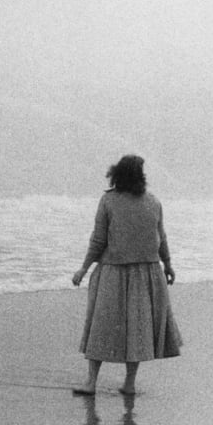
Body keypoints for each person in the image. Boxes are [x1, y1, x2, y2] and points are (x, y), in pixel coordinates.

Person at [72, 154, 182, 395]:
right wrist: (168, 265)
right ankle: (129, 383)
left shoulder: (108, 201)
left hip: (114, 271)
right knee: (137, 330)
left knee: (100, 328)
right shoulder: (153, 201)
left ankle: (91, 382)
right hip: (148, 273)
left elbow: (98, 240)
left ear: (116, 175)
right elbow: (161, 238)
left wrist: (84, 268)